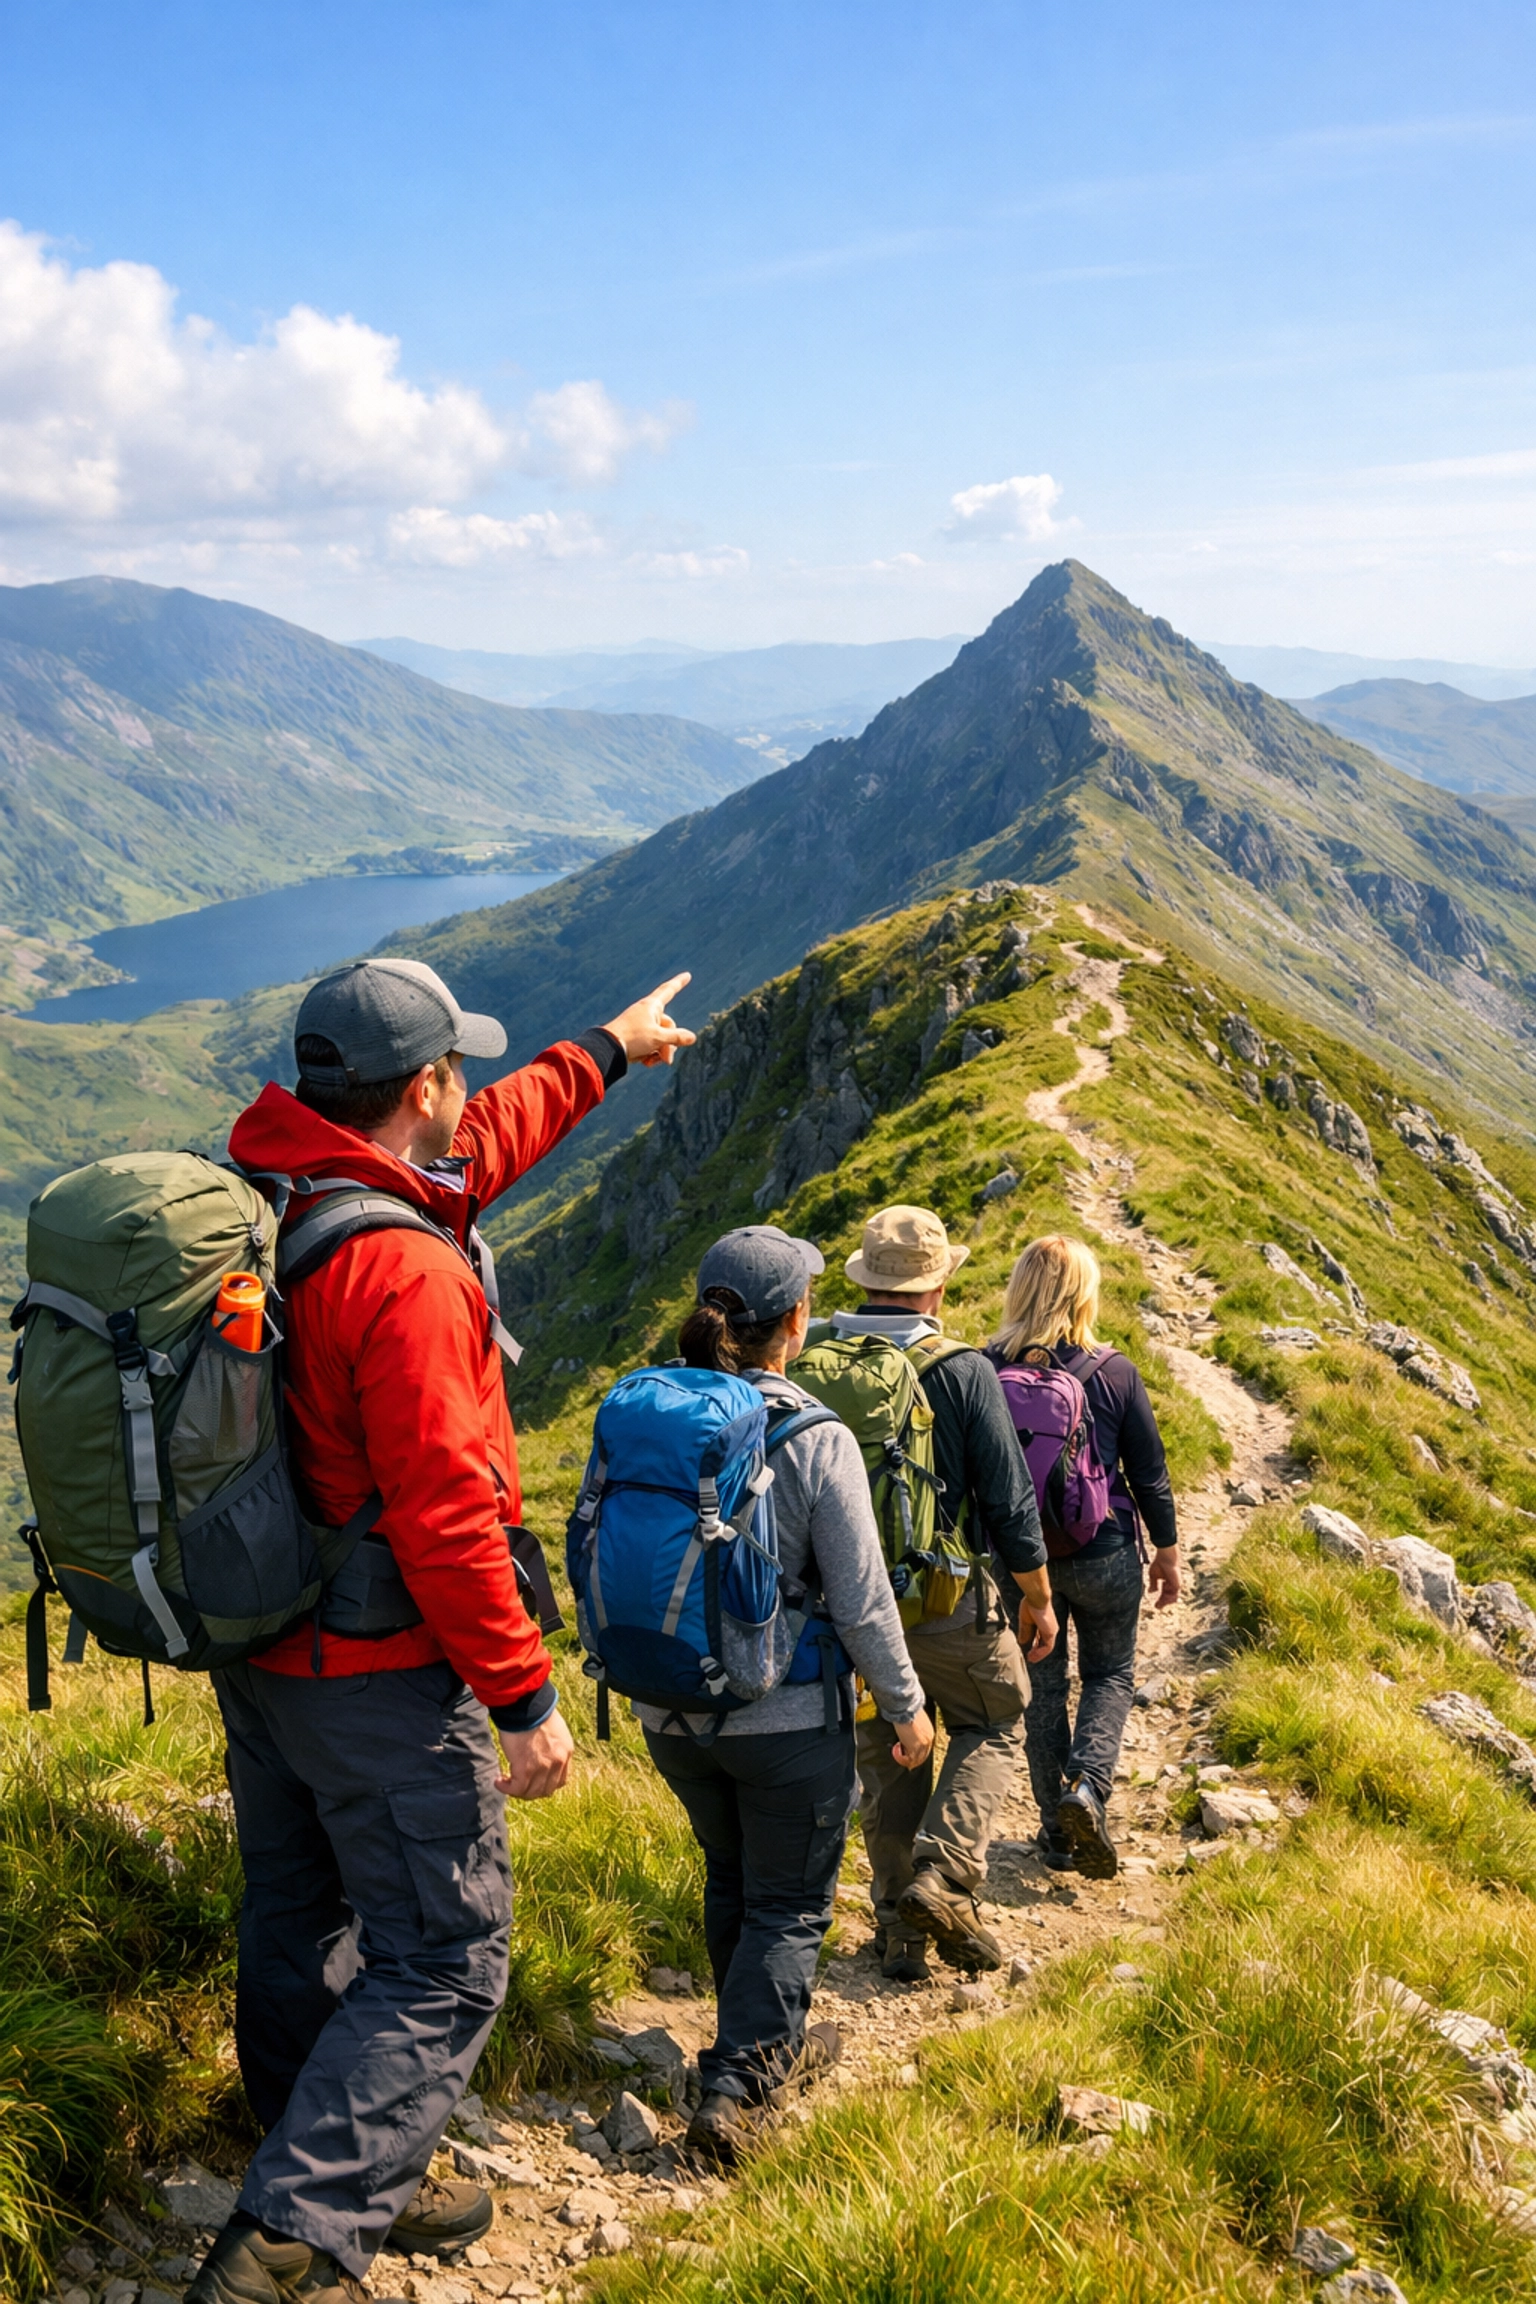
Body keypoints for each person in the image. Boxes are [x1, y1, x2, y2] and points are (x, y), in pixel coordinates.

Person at [188, 958, 696, 2304]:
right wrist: (524, 1700)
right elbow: (450, 1515)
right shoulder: (405, 1274)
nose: (471, 1093)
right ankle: (287, 2241)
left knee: (299, 1913)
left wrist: (607, 1049)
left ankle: (320, 2142)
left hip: (265, 1651)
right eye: (456, 1073)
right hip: (379, 1677)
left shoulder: (281, 1187)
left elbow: (484, 1151)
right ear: (422, 1090)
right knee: (446, 1956)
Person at [636, 1225, 935, 2170]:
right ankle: (742, 2091)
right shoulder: (813, 1434)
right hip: (786, 1720)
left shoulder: (650, 1410)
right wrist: (906, 1705)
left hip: (671, 1713)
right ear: (795, 1323)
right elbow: (861, 1596)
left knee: (733, 1879)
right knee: (790, 1903)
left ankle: (747, 2045)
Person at [826, 1205, 1058, 1980]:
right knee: (995, 1717)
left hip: (849, 1607)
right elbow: (1009, 1500)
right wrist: (1037, 1596)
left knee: (890, 1748)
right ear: (938, 1283)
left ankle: (898, 1931)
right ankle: (947, 1873)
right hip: (945, 1596)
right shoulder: (961, 1369)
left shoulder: (819, 1358)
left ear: (866, 1279)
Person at [986, 1234, 1181, 1881]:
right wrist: (1167, 1553)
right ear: (1085, 1293)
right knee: (1110, 1675)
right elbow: (1148, 1472)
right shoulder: (1113, 1370)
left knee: (1041, 1689)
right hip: (1105, 1549)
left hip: (1020, 1559)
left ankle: (1055, 1835)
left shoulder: (986, 1367)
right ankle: (1088, 1790)